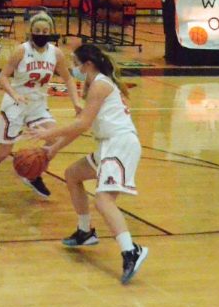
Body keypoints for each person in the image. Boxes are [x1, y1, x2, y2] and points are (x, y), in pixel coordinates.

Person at [26, 44, 147, 285]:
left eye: (75, 63)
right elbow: (82, 124)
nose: (73, 68)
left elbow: (82, 124)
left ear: (88, 64)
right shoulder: (93, 84)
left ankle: (130, 250)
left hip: (120, 144)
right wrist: (53, 148)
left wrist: (46, 134)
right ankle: (85, 232)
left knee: (103, 200)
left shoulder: (101, 84)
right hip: (108, 145)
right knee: (72, 175)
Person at [0, 13, 81, 200]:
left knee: (54, 140)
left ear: (50, 32)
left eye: (44, 31)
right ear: (31, 32)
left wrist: (76, 103)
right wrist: (14, 93)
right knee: (2, 153)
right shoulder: (21, 51)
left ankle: (34, 173)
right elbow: (2, 77)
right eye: (37, 31)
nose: (41, 34)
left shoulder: (56, 53)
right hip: (15, 106)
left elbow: (68, 78)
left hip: (38, 106)